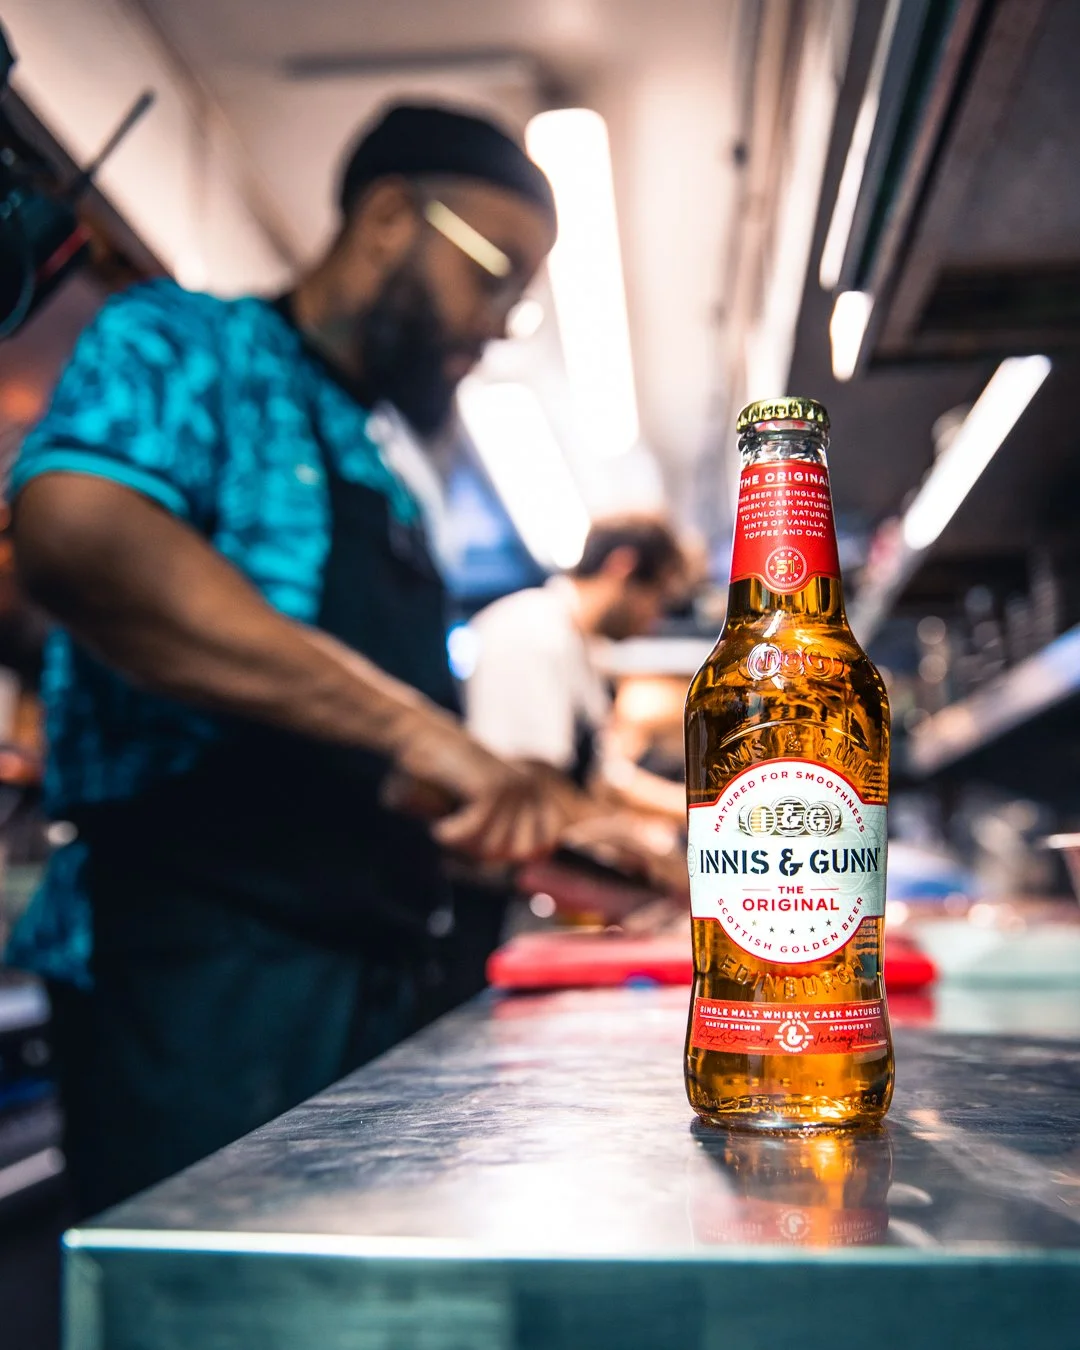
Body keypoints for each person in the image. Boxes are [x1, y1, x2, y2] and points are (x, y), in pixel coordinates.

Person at [6, 103, 579, 1217]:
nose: (500, 323)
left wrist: (541, 820)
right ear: (387, 218)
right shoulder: (184, 343)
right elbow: (79, 538)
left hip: (368, 975)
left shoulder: (384, 461)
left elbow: (354, 748)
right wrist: (417, 731)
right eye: (494, 275)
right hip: (199, 979)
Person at [466, 515, 689, 820]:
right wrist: (626, 834)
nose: (655, 619)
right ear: (623, 566)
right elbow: (531, 788)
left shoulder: (584, 647)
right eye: (658, 596)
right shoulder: (530, 631)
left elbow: (601, 778)